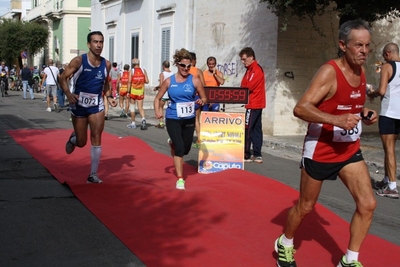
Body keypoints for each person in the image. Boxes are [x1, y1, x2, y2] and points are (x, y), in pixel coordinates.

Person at [274, 20, 377, 267]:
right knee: (306, 206)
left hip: (349, 149)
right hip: (321, 149)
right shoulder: (329, 72)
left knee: (368, 204)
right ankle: (285, 243)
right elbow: (301, 108)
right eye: (358, 45)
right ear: (343, 45)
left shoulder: (361, 71)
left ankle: (349, 260)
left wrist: (364, 113)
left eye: (367, 46)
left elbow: (347, 104)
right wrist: (336, 120)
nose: (364, 51)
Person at [59, 31, 117, 184]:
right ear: (89, 44)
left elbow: (105, 84)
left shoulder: (107, 64)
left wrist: (109, 97)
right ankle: (73, 139)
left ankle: (93, 174)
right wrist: (68, 93)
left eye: (101, 42)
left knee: (97, 137)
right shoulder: (78, 61)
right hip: (78, 104)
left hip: (96, 105)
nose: (99, 45)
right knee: (82, 141)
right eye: (95, 42)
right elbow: (62, 77)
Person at [154, 48, 207, 190]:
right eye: (183, 65)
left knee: (186, 149)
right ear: (177, 64)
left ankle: (173, 142)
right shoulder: (169, 81)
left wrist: (202, 101)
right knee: (180, 148)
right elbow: (158, 98)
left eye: (189, 66)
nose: (186, 68)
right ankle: (180, 179)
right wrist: (157, 111)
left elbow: (204, 96)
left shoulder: (194, 80)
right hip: (172, 117)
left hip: (189, 118)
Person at [367, 43, 400, 199]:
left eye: (383, 55)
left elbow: (381, 90)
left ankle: (393, 187)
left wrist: (371, 93)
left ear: (388, 54)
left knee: (389, 149)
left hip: (389, 113)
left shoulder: (387, 67)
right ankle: (386, 179)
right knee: (390, 148)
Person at [239, 47, 266, 163]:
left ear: (251, 58)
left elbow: (248, 87)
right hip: (253, 103)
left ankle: (247, 153)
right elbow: (243, 84)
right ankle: (257, 154)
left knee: (248, 129)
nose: (243, 62)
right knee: (255, 129)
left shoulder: (256, 70)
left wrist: (245, 87)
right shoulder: (249, 70)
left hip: (254, 104)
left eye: (244, 59)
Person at [127, 58, 149, 130]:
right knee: (140, 107)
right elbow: (147, 81)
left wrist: (128, 91)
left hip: (133, 91)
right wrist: (141, 80)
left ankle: (133, 123)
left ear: (133, 64)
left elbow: (129, 82)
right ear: (139, 63)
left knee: (132, 107)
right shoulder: (143, 70)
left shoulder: (132, 71)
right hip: (140, 91)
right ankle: (143, 119)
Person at [189, 52, 206, 148]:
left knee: (186, 119)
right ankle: (199, 139)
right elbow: (204, 85)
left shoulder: (184, 71)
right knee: (196, 120)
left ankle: (185, 138)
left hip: (187, 97)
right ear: (194, 60)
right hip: (196, 97)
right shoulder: (198, 71)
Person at [154, 60, 174, 128]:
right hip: (171, 93)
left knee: (160, 108)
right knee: (171, 108)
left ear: (163, 66)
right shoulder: (173, 74)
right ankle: (171, 122)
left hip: (164, 93)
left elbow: (161, 84)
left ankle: (161, 122)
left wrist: (156, 87)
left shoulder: (162, 74)